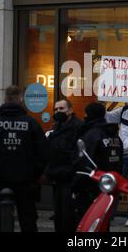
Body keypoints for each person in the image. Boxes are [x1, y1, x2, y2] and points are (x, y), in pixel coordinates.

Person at [0, 85, 49, 232]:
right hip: (25, 182)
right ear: (21, 99)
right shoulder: (31, 124)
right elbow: (44, 153)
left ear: (5, 99)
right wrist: (34, 175)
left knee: (2, 223)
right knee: (28, 222)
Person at [73, 102, 123, 226]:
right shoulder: (114, 135)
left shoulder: (92, 134)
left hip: (90, 187)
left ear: (89, 115)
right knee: (103, 222)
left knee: (89, 223)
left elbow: (84, 161)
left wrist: (75, 185)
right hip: (107, 185)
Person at [44, 99, 82, 232]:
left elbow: (77, 154)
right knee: (59, 215)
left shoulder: (77, 127)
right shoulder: (56, 127)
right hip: (57, 177)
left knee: (68, 217)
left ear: (70, 110)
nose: (58, 112)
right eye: (55, 109)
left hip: (69, 178)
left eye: (61, 109)